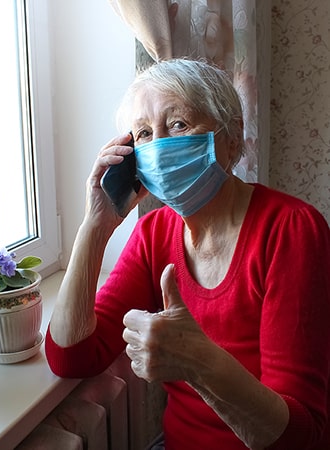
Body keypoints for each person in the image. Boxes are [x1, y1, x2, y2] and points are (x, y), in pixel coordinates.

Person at [45, 58, 330, 450]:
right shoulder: (153, 233)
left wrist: (198, 362)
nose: (159, 146)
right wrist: (96, 225)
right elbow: (72, 357)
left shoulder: (291, 229)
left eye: (178, 124)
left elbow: (301, 438)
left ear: (232, 138)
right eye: (143, 134)